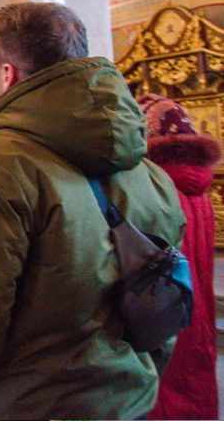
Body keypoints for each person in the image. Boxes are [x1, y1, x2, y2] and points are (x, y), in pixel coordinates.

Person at [0, 2, 186, 420]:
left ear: (7, 73)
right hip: (127, 401)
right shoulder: (150, 174)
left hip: (29, 404)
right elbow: (166, 299)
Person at [139, 94, 220, 421]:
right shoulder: (200, 187)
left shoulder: (153, 189)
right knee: (196, 378)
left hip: (167, 310)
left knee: (167, 386)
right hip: (198, 305)